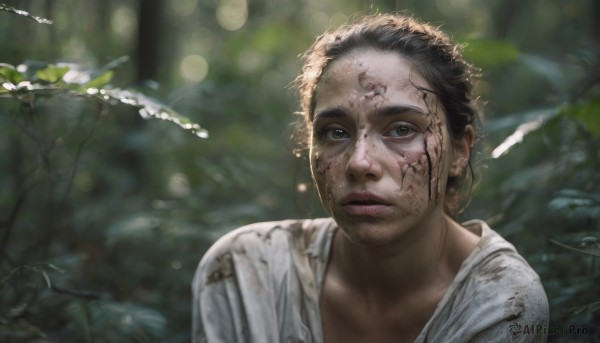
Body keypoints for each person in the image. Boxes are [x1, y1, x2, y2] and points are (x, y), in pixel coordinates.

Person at [192, 13, 549, 343]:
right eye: (335, 132)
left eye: (401, 129)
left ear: (459, 151)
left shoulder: (502, 302)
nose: (360, 163)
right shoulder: (244, 274)